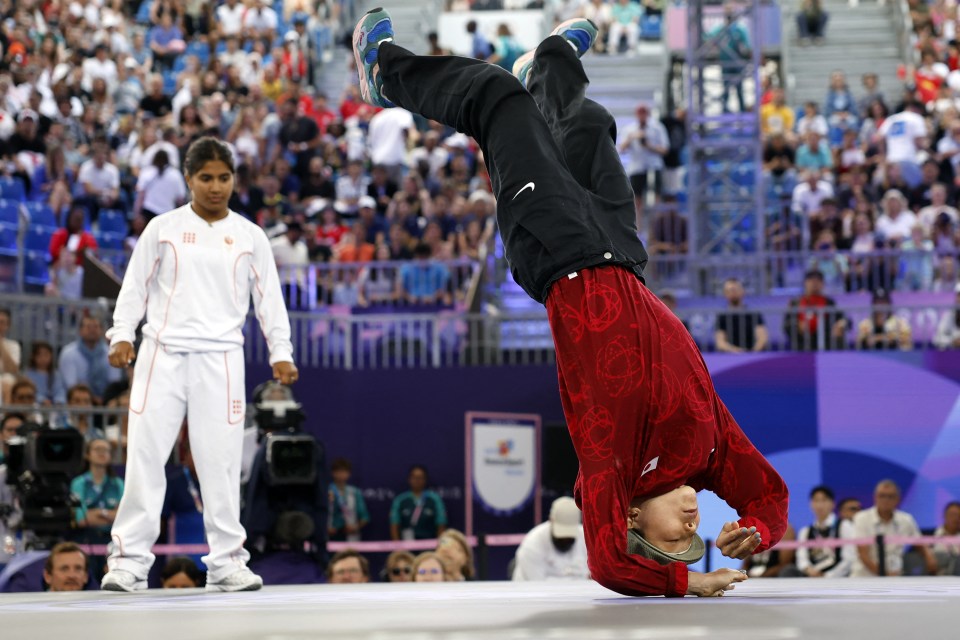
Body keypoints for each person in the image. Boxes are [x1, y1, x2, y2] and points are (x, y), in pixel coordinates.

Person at [353, 9, 787, 597]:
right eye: (694, 536)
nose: (692, 529)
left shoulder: (613, 467)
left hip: (556, 252)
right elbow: (770, 494)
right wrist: (759, 530)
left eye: (674, 543)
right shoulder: (710, 453)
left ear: (633, 521)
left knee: (493, 94)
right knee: (587, 126)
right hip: (624, 255)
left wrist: (682, 582)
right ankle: (547, 63)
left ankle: (385, 73)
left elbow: (607, 565)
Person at [100, 137, 298, 593]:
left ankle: (228, 562)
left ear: (234, 179)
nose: (215, 186)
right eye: (205, 177)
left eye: (223, 177)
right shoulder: (162, 228)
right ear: (188, 179)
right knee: (145, 458)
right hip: (161, 354)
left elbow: (270, 299)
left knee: (222, 462)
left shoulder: (250, 235)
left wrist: (281, 352)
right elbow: (134, 286)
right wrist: (122, 333)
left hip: (222, 358)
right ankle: (128, 561)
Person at [848, 480, 938, 577]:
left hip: (895, 575)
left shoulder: (906, 520)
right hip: (865, 577)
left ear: (898, 499)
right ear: (875, 498)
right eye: (882, 496)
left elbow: (919, 542)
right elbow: (863, 554)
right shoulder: (862, 518)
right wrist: (885, 575)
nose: (886, 500)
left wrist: (929, 558)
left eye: (890, 496)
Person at [512, 496, 589, 581]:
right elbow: (538, 587)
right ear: (551, 520)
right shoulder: (532, 544)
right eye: (561, 535)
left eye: (569, 537)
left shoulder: (587, 539)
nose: (565, 539)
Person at [795, 485, 855, 578]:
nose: (820, 505)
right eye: (816, 500)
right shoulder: (805, 531)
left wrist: (827, 576)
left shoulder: (844, 526)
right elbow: (802, 559)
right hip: (812, 578)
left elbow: (849, 559)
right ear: (811, 504)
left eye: (824, 500)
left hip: (838, 579)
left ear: (832, 503)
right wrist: (809, 570)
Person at [389, 464, 447, 541]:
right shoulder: (400, 500)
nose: (417, 480)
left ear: (425, 480)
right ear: (409, 479)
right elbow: (394, 525)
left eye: (420, 478)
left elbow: (441, 525)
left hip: (429, 546)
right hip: (406, 546)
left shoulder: (434, 499)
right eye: (414, 477)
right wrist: (398, 549)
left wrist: (439, 548)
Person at [714, 278, 768, 353]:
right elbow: (720, 343)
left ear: (743, 291)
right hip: (730, 357)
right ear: (725, 294)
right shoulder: (722, 316)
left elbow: (762, 339)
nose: (733, 293)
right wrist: (737, 352)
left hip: (753, 354)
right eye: (729, 291)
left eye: (735, 290)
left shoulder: (754, 314)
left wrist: (752, 353)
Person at [328, 457, 370, 542]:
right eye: (338, 471)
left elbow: (365, 517)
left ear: (349, 474)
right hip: (329, 535)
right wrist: (324, 528)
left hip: (350, 535)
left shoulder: (355, 492)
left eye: (344, 471)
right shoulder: (326, 491)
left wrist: (355, 527)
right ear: (333, 473)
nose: (341, 474)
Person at [932, 502, 960, 576]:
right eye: (952, 515)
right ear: (944, 516)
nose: (956, 518)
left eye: (958, 515)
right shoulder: (932, 537)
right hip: (938, 576)